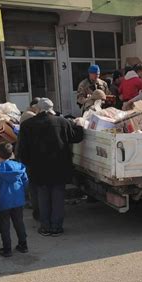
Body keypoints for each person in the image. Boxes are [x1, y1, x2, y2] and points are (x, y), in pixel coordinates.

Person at [18, 98, 83, 237]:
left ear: (37, 109)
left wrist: (26, 163)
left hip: (38, 167)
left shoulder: (27, 125)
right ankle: (57, 227)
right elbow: (76, 137)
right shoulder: (62, 122)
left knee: (42, 195)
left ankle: (45, 226)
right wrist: (79, 125)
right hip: (59, 166)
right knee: (58, 196)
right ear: (52, 108)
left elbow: (22, 150)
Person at [0, 143, 28, 257]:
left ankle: (7, 249)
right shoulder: (19, 167)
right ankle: (23, 244)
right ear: (12, 153)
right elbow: (25, 182)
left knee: (4, 225)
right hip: (17, 200)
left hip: (2, 202)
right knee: (19, 222)